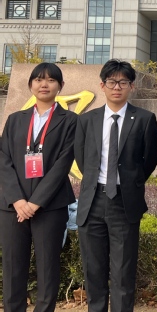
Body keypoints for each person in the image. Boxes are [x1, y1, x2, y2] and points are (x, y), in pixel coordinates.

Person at [75, 59, 157, 312]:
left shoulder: (144, 119)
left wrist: (130, 183)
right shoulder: (87, 120)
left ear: (132, 86)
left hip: (124, 202)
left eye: (123, 82)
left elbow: (149, 159)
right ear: (102, 85)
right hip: (92, 201)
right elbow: (82, 159)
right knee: (94, 270)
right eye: (112, 82)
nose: (117, 87)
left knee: (123, 271)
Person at [0, 63, 77, 312]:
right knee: (13, 268)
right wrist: (18, 200)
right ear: (31, 84)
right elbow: (4, 160)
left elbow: (63, 164)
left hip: (50, 206)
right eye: (38, 79)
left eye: (51, 80)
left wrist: (35, 202)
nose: (44, 84)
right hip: (13, 207)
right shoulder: (15, 120)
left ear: (60, 86)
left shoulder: (71, 121)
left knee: (48, 267)